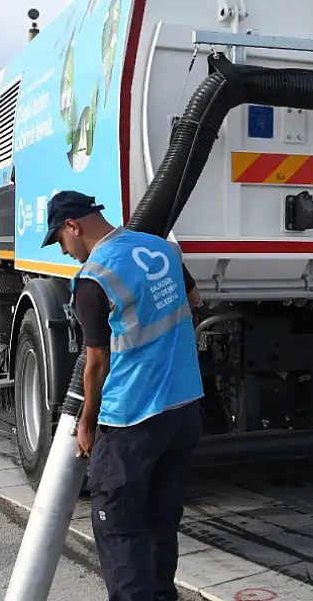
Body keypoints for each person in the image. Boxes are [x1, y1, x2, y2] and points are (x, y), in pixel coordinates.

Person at [41, 190, 203, 601]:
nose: (64, 251)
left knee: (117, 526)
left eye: (60, 240)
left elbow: (96, 363)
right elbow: (195, 299)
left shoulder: (94, 279)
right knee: (161, 519)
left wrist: (86, 423)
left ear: (73, 226)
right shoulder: (161, 248)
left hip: (132, 418)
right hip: (184, 409)